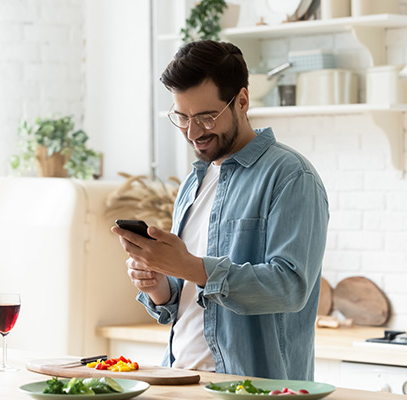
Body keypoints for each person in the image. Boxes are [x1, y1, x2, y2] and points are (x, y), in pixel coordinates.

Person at [111, 40, 329, 380]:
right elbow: (190, 299)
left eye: (206, 117)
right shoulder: (194, 181)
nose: (193, 132)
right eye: (181, 117)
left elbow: (290, 287)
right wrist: (159, 285)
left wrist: (191, 267)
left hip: (251, 387)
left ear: (241, 101)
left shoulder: (290, 176)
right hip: (182, 379)